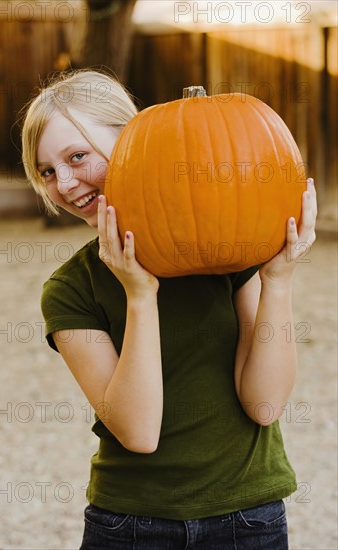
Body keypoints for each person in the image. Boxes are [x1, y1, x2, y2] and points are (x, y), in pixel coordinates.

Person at [21, 70, 317, 550]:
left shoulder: (227, 250)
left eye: (77, 156)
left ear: (133, 139)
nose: (67, 183)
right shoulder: (70, 290)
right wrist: (140, 295)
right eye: (48, 172)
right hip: (131, 524)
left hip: (250, 516)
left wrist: (277, 279)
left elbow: (264, 405)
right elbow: (139, 432)